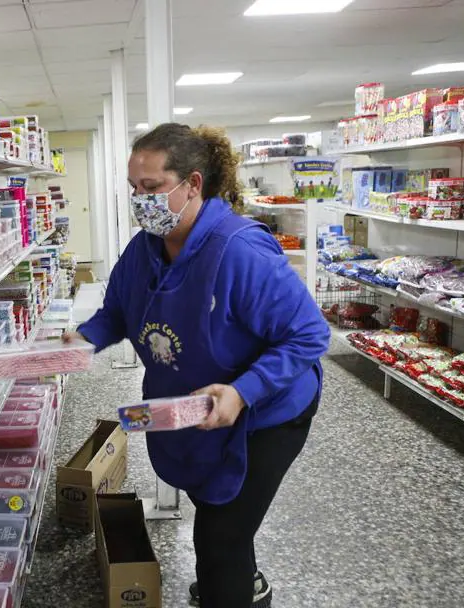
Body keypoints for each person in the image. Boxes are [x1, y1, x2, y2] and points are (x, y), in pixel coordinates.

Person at [67, 123, 329, 608]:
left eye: (152, 189)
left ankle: (229, 586)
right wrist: (82, 341)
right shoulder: (144, 249)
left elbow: (309, 335)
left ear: (192, 185)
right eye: (133, 190)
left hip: (268, 411)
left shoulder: (239, 251)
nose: (140, 201)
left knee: (218, 535)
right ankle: (240, 579)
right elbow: (118, 313)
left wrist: (243, 391)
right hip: (196, 406)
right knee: (218, 504)